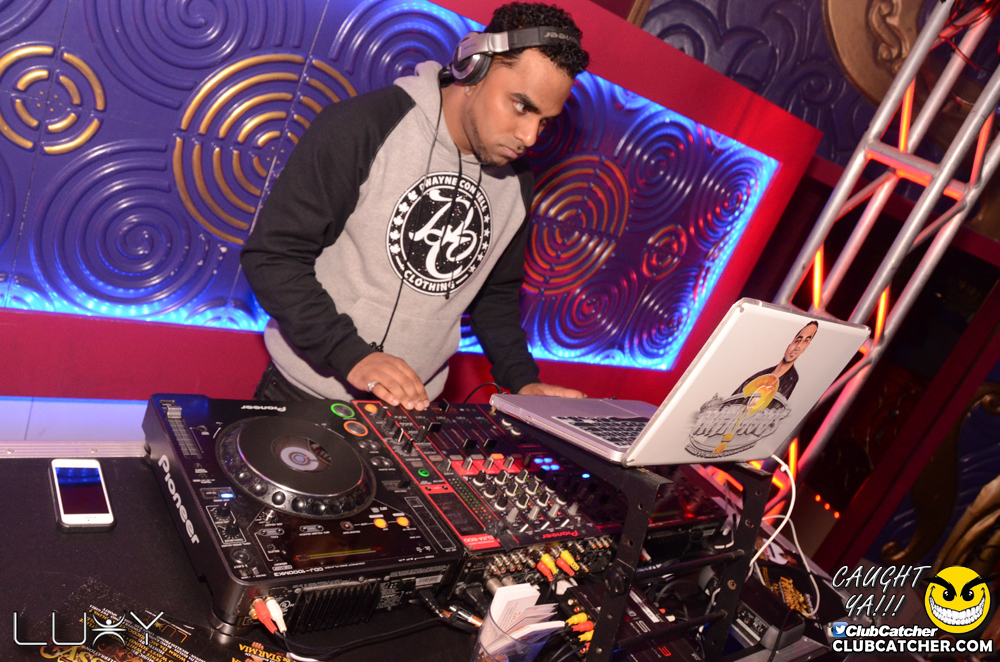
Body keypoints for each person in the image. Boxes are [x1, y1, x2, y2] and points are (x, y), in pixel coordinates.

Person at [241, 2, 590, 410]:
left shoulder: (517, 181)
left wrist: (523, 381)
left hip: (413, 408)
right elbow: (273, 256)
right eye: (521, 106)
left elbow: (495, 296)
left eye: (544, 120)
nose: (529, 136)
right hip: (304, 395)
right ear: (473, 69)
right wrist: (349, 352)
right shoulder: (362, 125)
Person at [734, 321, 818, 401]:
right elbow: (730, 402)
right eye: (798, 340)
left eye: (806, 341)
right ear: (788, 346)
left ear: (806, 347)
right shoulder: (760, 375)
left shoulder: (791, 380)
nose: (798, 346)